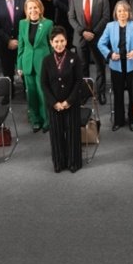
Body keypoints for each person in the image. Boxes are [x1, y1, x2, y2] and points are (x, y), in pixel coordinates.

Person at [41, 26, 86, 173]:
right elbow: (44, 83)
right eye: (56, 41)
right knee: (56, 134)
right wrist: (54, 103)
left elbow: (79, 82)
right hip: (54, 104)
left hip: (71, 103)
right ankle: (59, 162)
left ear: (66, 41)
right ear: (51, 43)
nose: (59, 44)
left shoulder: (74, 58)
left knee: (72, 132)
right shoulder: (47, 60)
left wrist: (68, 102)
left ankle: (74, 162)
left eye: (62, 41)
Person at [98, 1, 133, 132]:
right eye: (119, 11)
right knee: (118, 94)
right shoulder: (110, 26)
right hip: (116, 65)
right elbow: (100, 44)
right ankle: (118, 120)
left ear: (129, 13)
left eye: (125, 11)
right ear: (115, 13)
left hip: (132, 65)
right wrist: (110, 54)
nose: (122, 13)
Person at [68, 0, 111, 104]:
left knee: (100, 66)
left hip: (97, 37)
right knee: (82, 66)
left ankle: (101, 92)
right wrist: (82, 32)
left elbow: (106, 17)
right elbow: (71, 17)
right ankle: (86, 92)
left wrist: (93, 33)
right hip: (80, 37)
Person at [17, 0, 54, 133]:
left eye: (35, 7)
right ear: (26, 10)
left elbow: (52, 47)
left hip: (43, 63)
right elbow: (21, 46)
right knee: (31, 94)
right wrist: (19, 65)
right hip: (27, 63)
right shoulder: (22, 24)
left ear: (40, 9)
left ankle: (46, 120)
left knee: (43, 93)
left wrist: (53, 65)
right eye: (30, 8)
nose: (33, 10)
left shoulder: (48, 24)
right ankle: (35, 120)